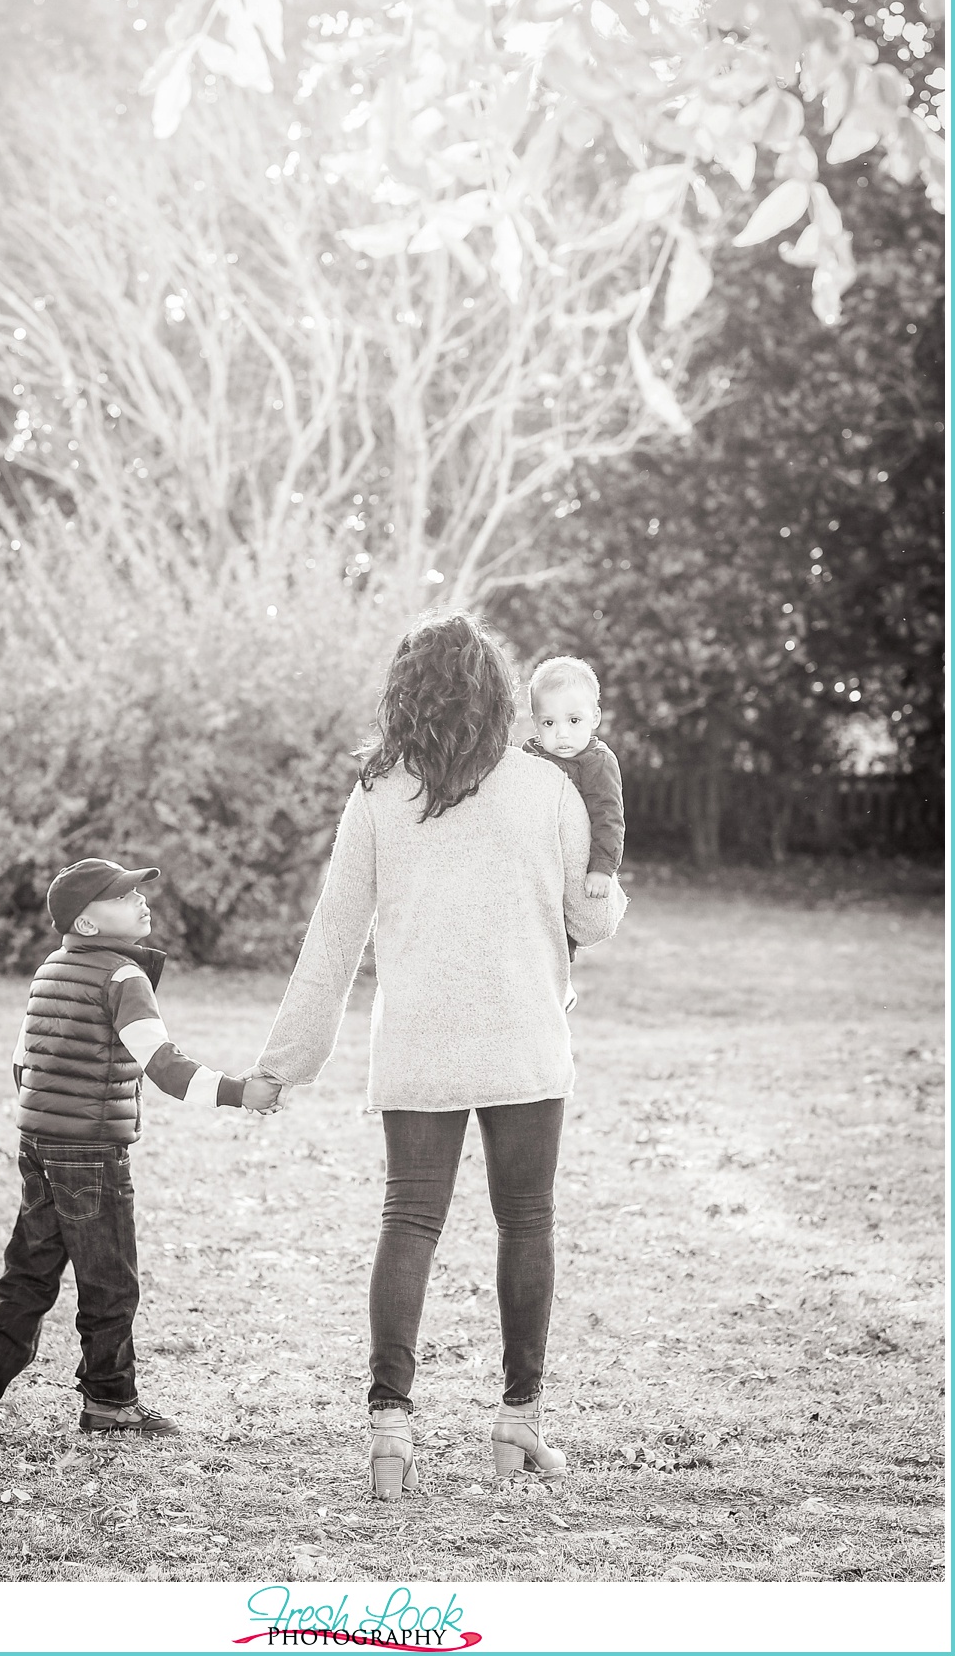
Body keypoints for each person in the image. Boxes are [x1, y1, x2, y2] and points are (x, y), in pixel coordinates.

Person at [251, 613, 626, 1499]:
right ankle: (517, 1426)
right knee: (525, 1221)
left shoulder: (378, 795)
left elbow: (332, 943)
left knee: (408, 1223)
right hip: (525, 1038)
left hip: (417, 1044)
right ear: (500, 692)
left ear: (406, 696)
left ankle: (390, 1430)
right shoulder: (547, 786)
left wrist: (283, 1065)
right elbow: (594, 921)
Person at [0, 857, 277, 1443]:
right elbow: (164, 1066)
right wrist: (239, 1092)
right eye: (123, 896)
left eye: (138, 892)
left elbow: (22, 1063)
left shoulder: (49, 970)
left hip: (38, 1144)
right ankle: (109, 1401)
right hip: (91, 1153)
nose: (141, 902)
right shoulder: (124, 979)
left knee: (28, 1273)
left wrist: (44, 1126)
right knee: (110, 1279)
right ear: (90, 924)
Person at [521, 654, 625, 961]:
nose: (562, 733)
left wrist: (602, 869)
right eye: (549, 723)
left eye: (574, 721)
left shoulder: (598, 763)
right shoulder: (530, 756)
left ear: (595, 717)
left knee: (564, 929)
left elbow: (609, 818)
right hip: (536, 858)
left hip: (576, 861)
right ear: (535, 722)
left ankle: (560, 976)